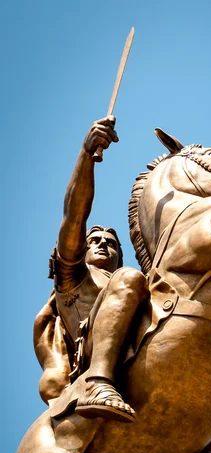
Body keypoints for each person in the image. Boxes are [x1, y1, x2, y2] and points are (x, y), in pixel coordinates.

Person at [34, 117, 148, 423]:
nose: (102, 245)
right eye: (94, 240)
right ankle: (99, 381)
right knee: (129, 280)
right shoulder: (72, 278)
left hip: (142, 339)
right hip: (90, 353)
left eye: (111, 243)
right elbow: (74, 216)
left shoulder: (134, 285)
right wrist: (87, 155)